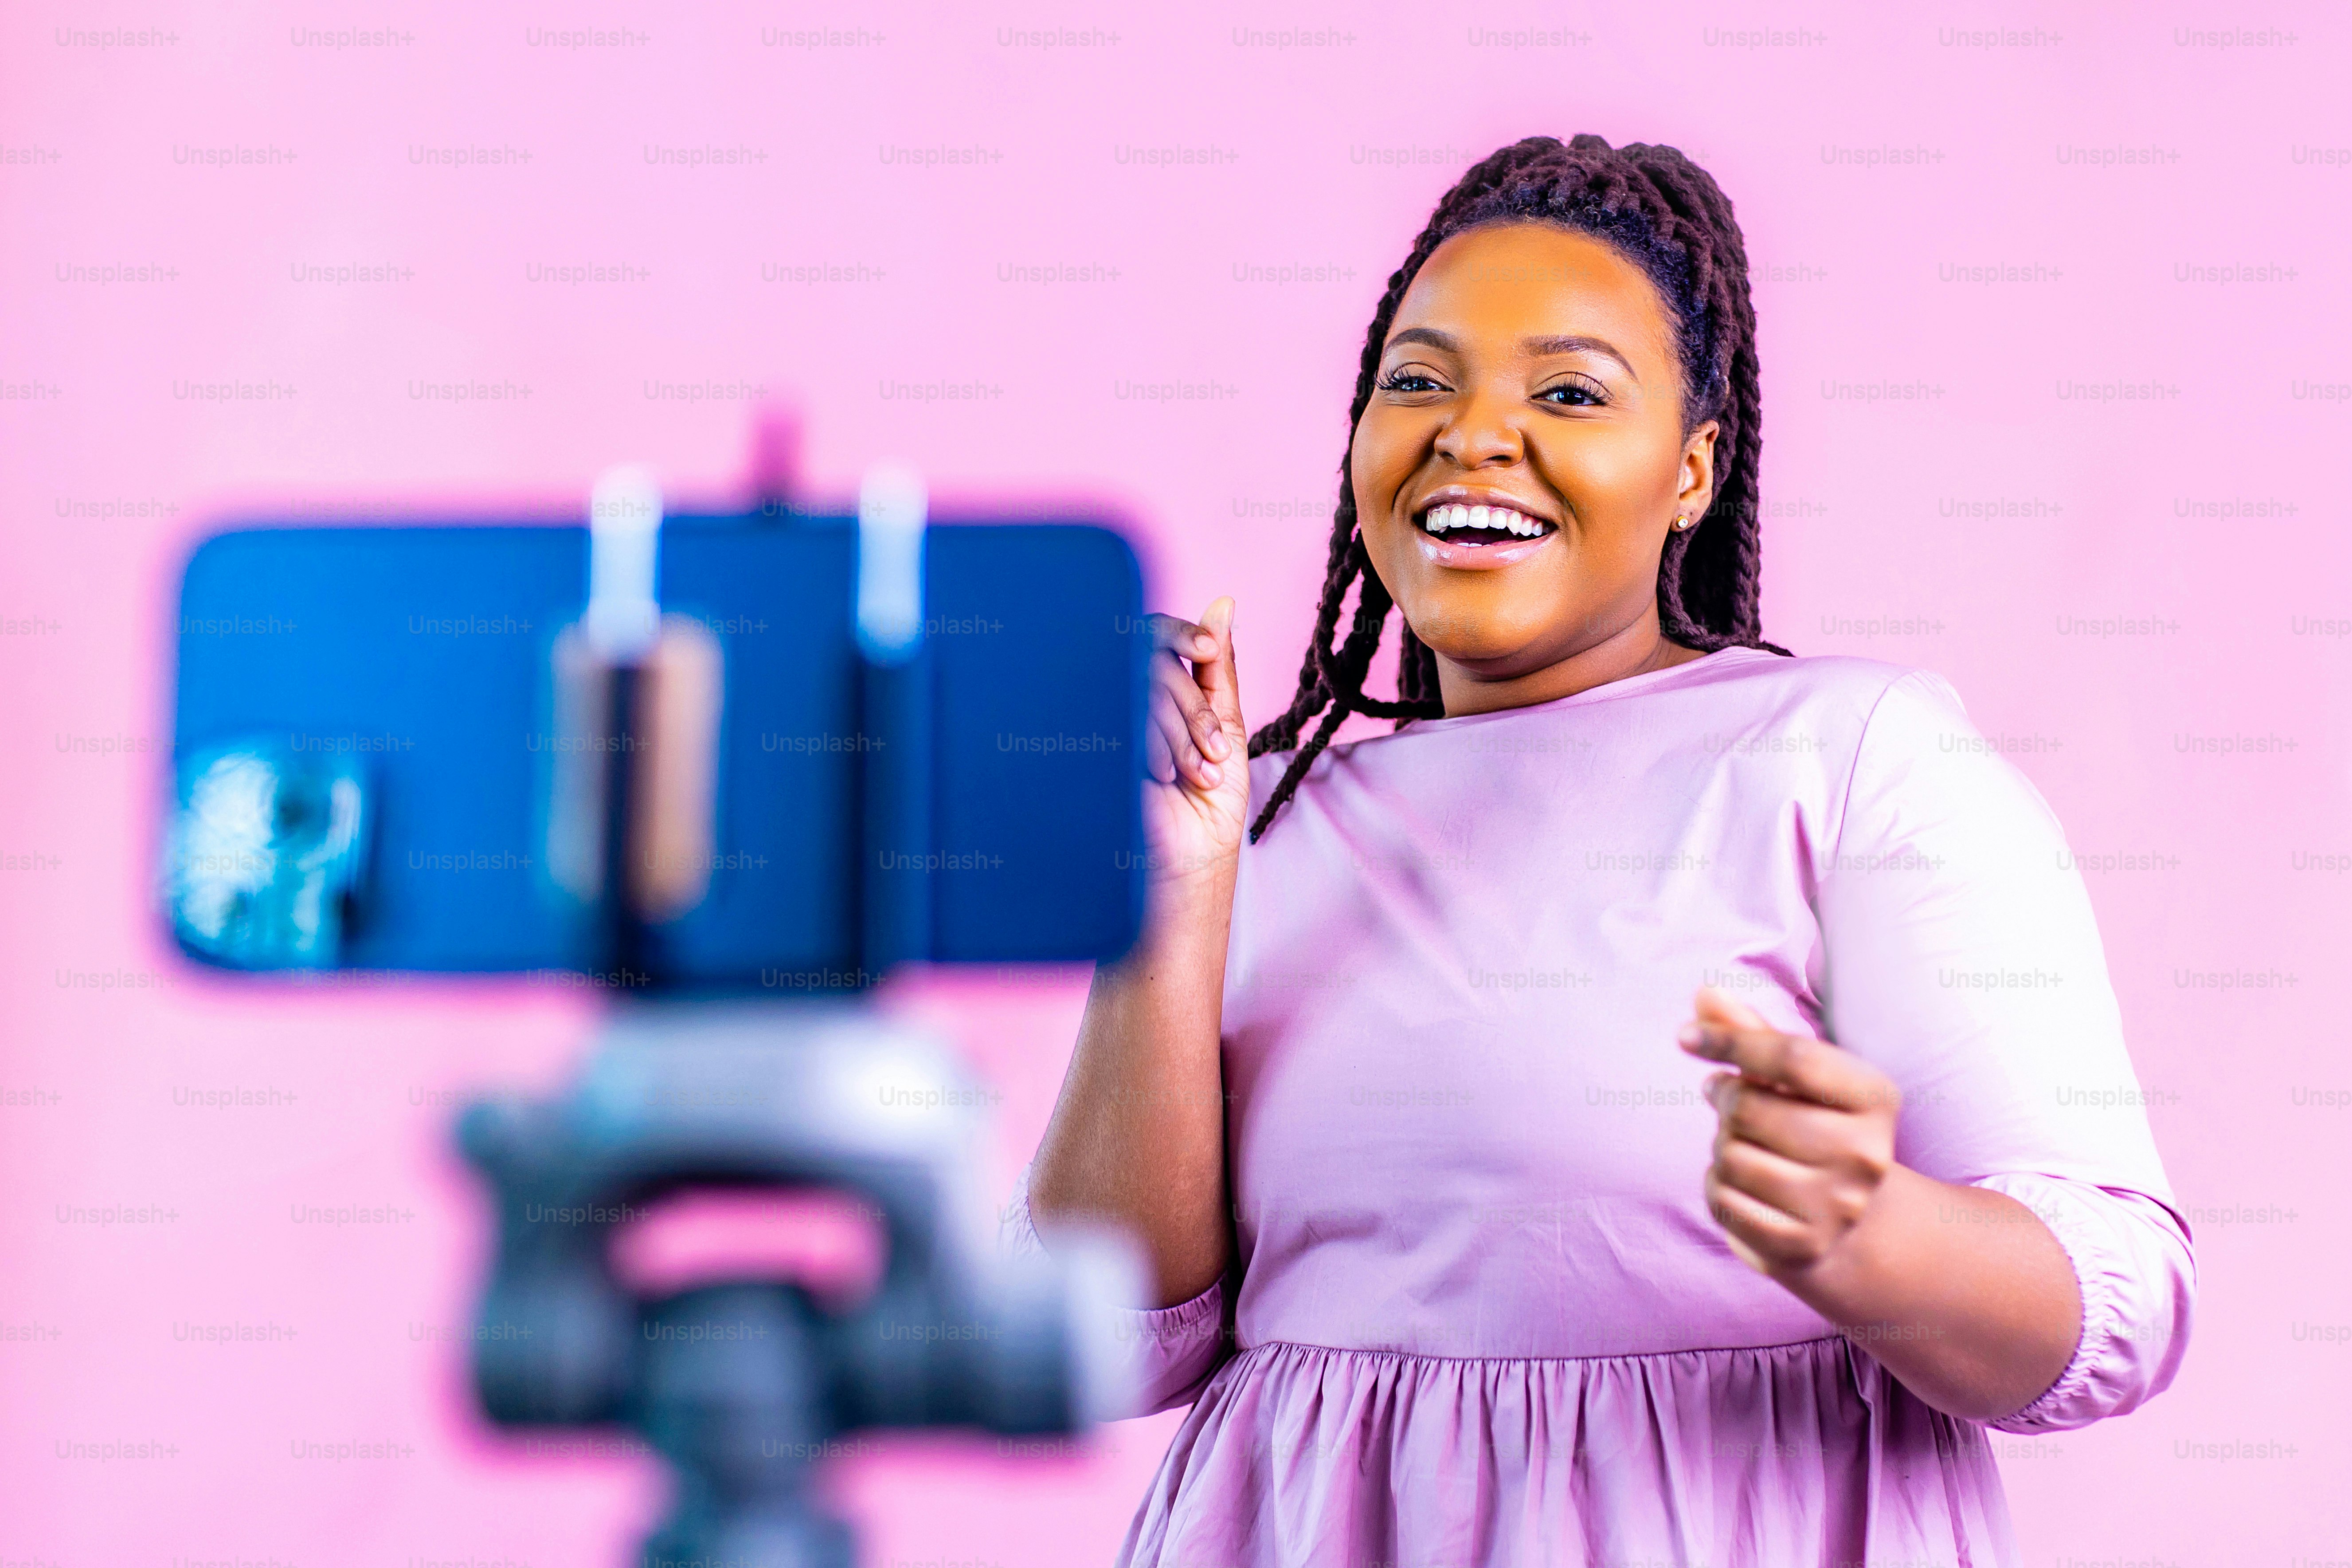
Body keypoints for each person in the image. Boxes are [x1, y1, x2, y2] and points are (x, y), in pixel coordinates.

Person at [1008, 133, 2192, 1568]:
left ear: (1691, 472)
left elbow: (2118, 1306)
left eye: (1567, 391)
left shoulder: (1845, 754)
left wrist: (1871, 1235)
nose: (1471, 434)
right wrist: (1172, 891)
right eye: (1416, 380)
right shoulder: (1260, 814)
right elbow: (1106, 1340)